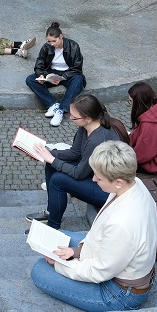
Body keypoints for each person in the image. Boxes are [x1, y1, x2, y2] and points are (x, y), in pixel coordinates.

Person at [30, 141, 157, 312]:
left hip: (120, 293)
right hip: (119, 262)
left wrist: (60, 265)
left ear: (118, 181)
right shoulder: (134, 184)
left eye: (99, 177)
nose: (93, 179)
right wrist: (76, 253)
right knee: (61, 237)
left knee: (40, 270)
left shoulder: (122, 223)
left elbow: (99, 272)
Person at [26, 94, 122, 229]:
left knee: (58, 180)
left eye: (74, 117)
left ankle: (52, 227)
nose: (70, 118)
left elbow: (79, 174)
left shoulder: (97, 140)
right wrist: (48, 153)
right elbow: (74, 153)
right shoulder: (86, 127)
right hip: (94, 176)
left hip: (108, 191)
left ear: (88, 118)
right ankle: (51, 212)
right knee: (51, 165)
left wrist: (52, 159)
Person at [25, 22, 85, 127]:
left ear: (61, 37)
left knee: (78, 80)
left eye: (54, 41)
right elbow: (39, 64)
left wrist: (63, 77)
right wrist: (42, 75)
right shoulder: (46, 47)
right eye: (49, 41)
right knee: (30, 79)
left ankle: (61, 110)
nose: (52, 44)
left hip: (68, 74)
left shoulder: (74, 46)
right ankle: (53, 104)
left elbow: (77, 68)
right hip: (52, 73)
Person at [127, 81, 157, 174]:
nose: (130, 104)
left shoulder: (149, 125)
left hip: (155, 164)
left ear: (139, 102)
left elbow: (144, 153)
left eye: (131, 101)